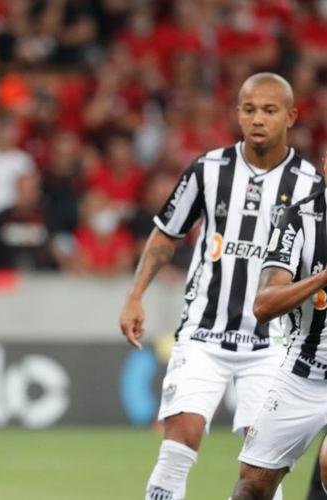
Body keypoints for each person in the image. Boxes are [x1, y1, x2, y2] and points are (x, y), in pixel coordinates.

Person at [119, 72, 322, 500]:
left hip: (273, 342)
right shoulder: (208, 170)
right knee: (181, 436)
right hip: (203, 332)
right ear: (237, 114)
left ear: (291, 116)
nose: (258, 119)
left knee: (264, 462)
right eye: (249, 109)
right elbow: (165, 235)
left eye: (269, 110)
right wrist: (136, 295)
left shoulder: (310, 186)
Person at [230, 155, 327, 498]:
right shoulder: (299, 219)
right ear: (325, 165)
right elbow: (264, 305)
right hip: (304, 372)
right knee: (253, 484)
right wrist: (323, 278)